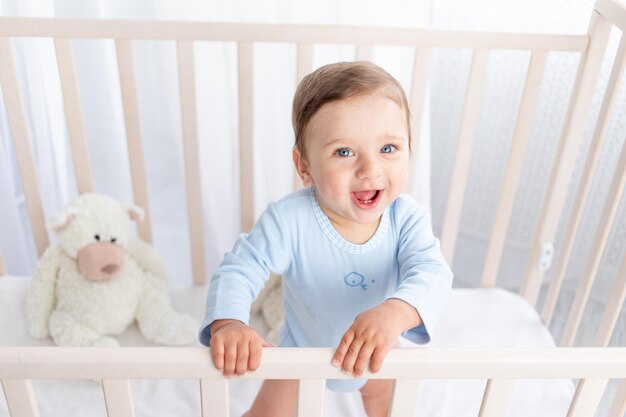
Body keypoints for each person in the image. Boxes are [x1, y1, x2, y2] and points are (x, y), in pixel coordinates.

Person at [199, 61, 453, 417]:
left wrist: (395, 313)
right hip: (300, 352)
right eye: (344, 152)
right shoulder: (289, 220)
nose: (370, 169)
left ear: (410, 150)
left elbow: (433, 274)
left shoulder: (405, 220)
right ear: (304, 167)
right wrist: (229, 323)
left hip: (376, 350)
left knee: (393, 408)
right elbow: (239, 269)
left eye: (388, 148)